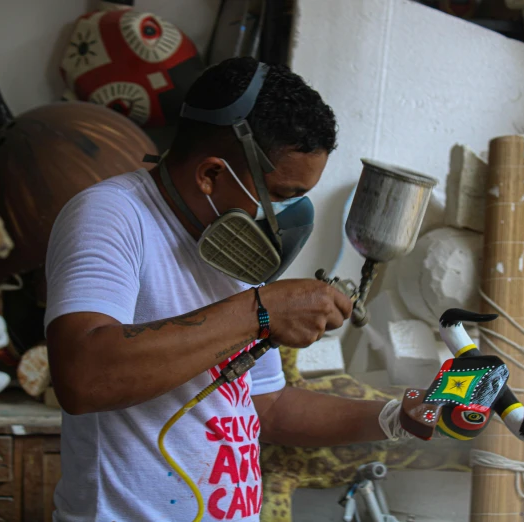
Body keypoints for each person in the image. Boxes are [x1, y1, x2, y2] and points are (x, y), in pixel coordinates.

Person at [45, 56, 409, 522]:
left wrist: (395, 417)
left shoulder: (235, 246)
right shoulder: (112, 214)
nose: (288, 216)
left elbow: (269, 408)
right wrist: (262, 310)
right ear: (211, 175)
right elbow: (83, 375)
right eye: (280, 195)